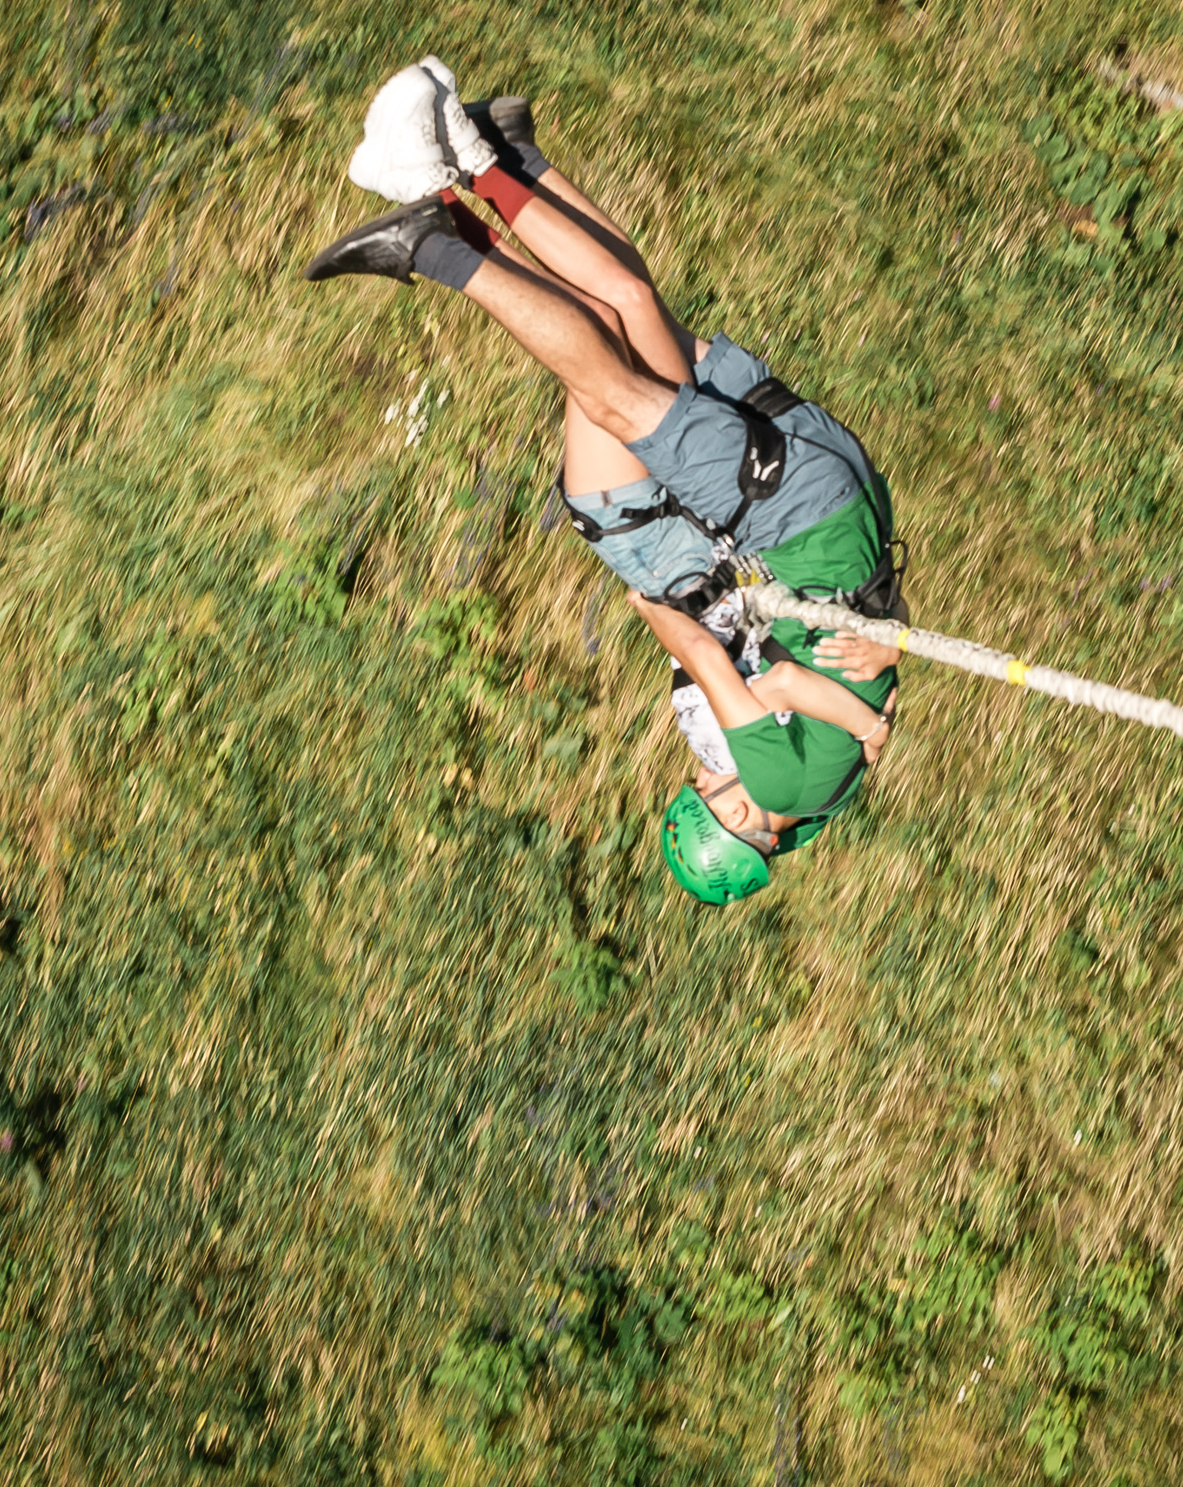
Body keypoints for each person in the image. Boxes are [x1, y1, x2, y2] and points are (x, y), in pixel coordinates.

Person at [303, 60, 909, 903]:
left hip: (812, 501)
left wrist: (873, 707)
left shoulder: (830, 784)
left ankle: (488, 159)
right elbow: (736, 664)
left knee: (627, 311)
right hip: (736, 519)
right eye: (708, 793)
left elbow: (831, 653)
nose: (706, 775)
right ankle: (438, 231)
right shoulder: (782, 783)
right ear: (739, 818)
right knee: (611, 359)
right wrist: (858, 710)